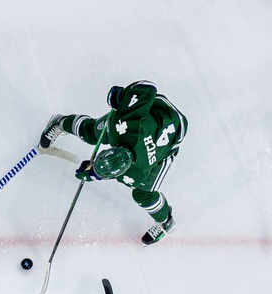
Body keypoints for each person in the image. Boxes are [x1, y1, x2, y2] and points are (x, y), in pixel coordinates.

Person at [40, 80, 188, 246]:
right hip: (153, 116)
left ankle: (166, 221)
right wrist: (123, 97)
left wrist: (94, 172)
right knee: (93, 132)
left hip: (171, 138)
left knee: (144, 195)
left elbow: (147, 86)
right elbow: (146, 87)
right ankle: (61, 122)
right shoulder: (126, 120)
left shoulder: (138, 174)